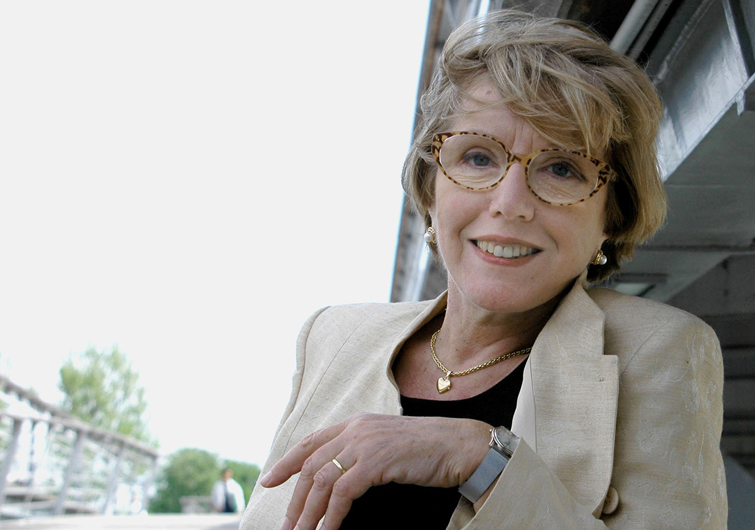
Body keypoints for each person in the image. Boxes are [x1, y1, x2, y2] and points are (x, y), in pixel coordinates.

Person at [241, 10, 727, 530]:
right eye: (477, 157)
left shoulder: (659, 351)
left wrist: (483, 462)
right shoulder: (334, 336)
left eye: (562, 168)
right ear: (430, 186)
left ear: (612, 215)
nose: (510, 203)